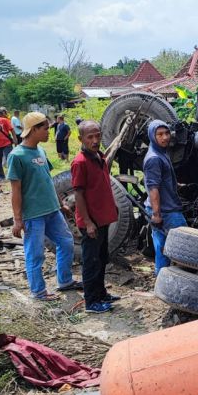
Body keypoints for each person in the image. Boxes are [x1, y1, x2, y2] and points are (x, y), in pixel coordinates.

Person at [7, 112, 81, 301]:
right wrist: (17, 219)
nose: (49, 132)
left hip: (52, 211)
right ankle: (38, 292)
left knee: (66, 242)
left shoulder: (40, 151)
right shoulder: (17, 156)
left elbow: (48, 180)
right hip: (33, 215)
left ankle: (64, 281)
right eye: (45, 128)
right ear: (33, 130)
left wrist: (59, 203)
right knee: (35, 253)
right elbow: (15, 190)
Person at [71, 120, 121, 314]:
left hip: (103, 219)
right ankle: (91, 302)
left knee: (101, 258)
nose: (95, 140)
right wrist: (88, 222)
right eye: (89, 137)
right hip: (91, 222)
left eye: (97, 135)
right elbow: (79, 195)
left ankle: (101, 293)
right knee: (91, 262)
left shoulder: (99, 156)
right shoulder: (80, 162)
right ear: (80, 139)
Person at [143, 120, 186, 275]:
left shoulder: (161, 152)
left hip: (163, 208)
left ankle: (161, 274)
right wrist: (156, 214)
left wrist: (174, 185)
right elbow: (153, 188)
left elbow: (160, 181)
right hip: (165, 211)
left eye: (167, 133)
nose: (165, 137)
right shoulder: (154, 158)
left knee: (161, 244)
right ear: (152, 136)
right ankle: (171, 276)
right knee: (183, 242)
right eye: (160, 134)